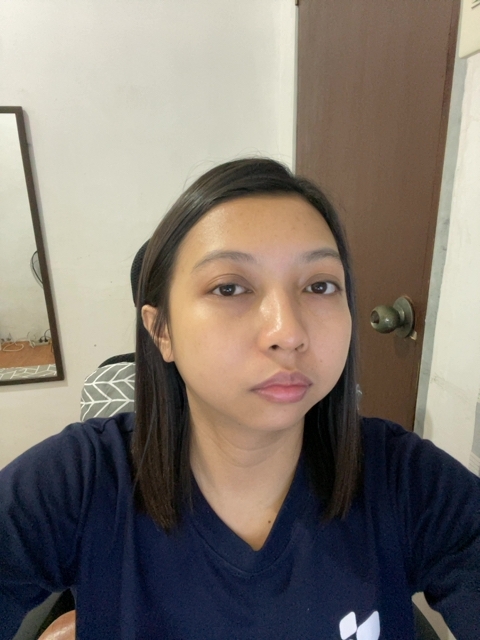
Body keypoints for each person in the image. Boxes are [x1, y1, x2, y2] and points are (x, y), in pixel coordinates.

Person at [1, 158, 479, 640]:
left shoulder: (405, 482)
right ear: (161, 330)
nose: (288, 332)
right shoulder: (77, 483)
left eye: (320, 285)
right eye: (229, 288)